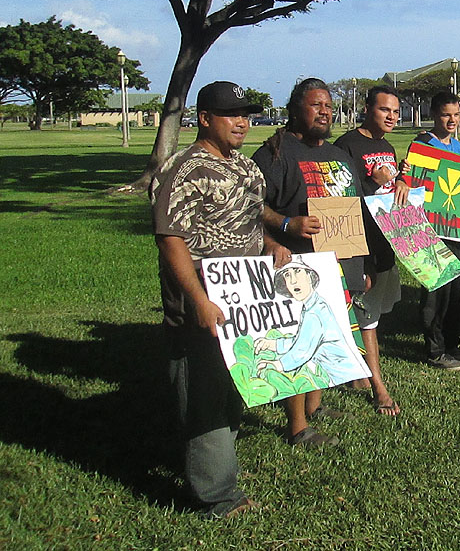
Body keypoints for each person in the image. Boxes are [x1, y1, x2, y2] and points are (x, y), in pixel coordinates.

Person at [150, 80, 278, 517]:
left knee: (233, 388)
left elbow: (252, 213)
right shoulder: (184, 170)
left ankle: (216, 464)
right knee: (203, 396)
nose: (242, 122)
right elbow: (171, 240)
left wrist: (275, 240)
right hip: (202, 307)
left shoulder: (244, 167)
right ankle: (217, 497)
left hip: (244, 300)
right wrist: (199, 300)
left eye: (246, 114)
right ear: (204, 119)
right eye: (231, 114)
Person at [251, 77, 373, 443]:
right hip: (293, 264)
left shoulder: (338, 156)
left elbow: (353, 213)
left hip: (335, 264)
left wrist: (359, 267)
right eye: (316, 105)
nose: (325, 112)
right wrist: (283, 229)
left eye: (329, 106)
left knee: (324, 335)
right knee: (297, 340)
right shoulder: (274, 154)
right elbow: (252, 205)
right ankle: (297, 427)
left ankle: (314, 406)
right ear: (294, 109)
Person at [334, 85, 408, 415]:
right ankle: (378, 384)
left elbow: (389, 194)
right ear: (367, 109)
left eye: (395, 111)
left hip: (384, 240)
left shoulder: (388, 146)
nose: (392, 116)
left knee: (372, 307)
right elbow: (342, 198)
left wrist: (402, 181)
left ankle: (354, 368)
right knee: (365, 315)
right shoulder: (346, 145)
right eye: (384, 110)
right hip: (358, 241)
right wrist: (373, 183)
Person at [409, 91, 460, 370]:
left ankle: (451, 343)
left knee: (455, 291)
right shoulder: (423, 143)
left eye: (456, 115)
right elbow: (411, 180)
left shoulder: (458, 146)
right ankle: (435, 350)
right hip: (430, 229)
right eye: (447, 114)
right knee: (435, 291)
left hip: (455, 228)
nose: (452, 120)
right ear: (435, 115)